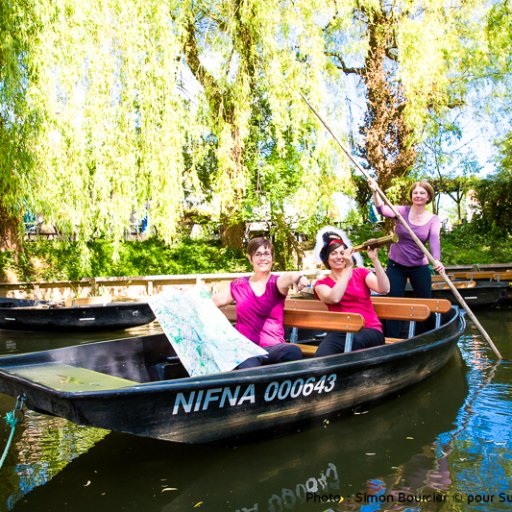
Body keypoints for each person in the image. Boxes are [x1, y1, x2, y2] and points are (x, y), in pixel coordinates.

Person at [213, 237, 308, 368]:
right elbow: (212, 302)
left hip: (273, 348)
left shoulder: (276, 282)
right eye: (258, 254)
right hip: (247, 349)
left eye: (267, 254)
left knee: (293, 352)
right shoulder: (239, 284)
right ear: (250, 258)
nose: (263, 258)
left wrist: (299, 277)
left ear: (272, 258)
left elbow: (289, 276)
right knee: (247, 366)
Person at [369, 179, 445, 337]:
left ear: (428, 197)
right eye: (415, 192)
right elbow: (382, 209)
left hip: (419, 266)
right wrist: (375, 192)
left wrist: (436, 261)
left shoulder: (433, 219)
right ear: (411, 196)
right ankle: (392, 338)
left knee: (426, 302)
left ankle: (431, 334)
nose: (418, 195)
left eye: (422, 193)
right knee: (394, 303)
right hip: (396, 265)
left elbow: (434, 241)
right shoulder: (402, 211)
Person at [313, 228, 390, 356]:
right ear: (327, 258)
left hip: (369, 329)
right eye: (333, 253)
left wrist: (375, 260)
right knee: (321, 355)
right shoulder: (321, 284)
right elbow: (335, 298)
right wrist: (348, 268)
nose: (339, 257)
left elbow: (385, 289)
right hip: (340, 332)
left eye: (342, 253)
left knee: (354, 342)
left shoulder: (361, 273)